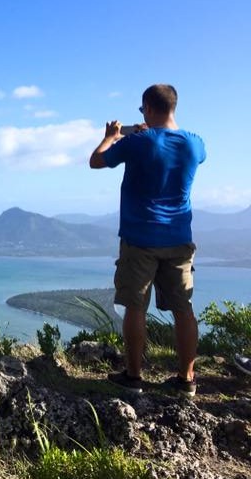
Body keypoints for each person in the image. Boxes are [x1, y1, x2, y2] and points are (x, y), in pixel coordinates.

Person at [89, 84, 206, 397]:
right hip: (179, 238)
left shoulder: (137, 142)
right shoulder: (196, 144)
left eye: (142, 110)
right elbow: (173, 152)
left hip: (140, 238)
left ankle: (134, 376)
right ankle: (186, 380)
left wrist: (113, 136)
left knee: (135, 307)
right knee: (184, 309)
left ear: (149, 109)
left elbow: (96, 161)